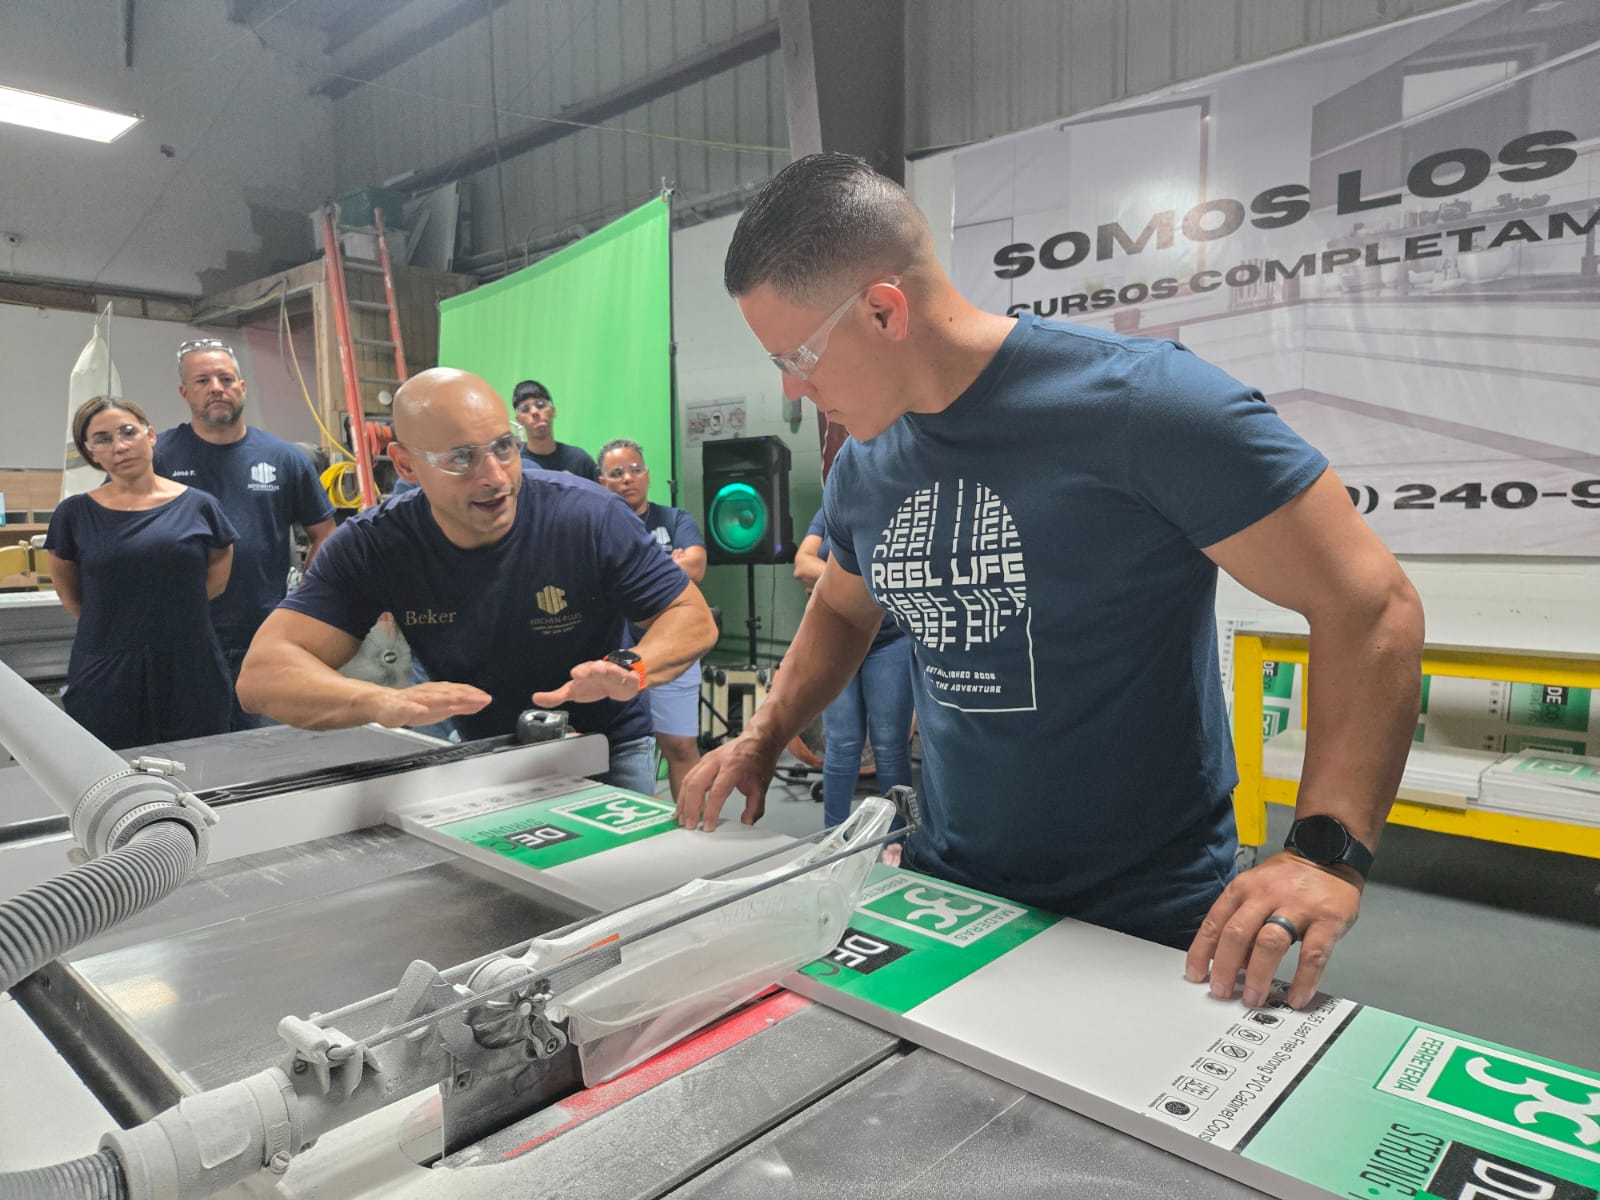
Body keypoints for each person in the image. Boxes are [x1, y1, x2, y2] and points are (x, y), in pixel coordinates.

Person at [679, 153, 1424, 1012]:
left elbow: (1369, 604)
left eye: (797, 355)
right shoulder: (868, 463)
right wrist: (764, 737)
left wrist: (1324, 852)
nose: (791, 388)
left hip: (1147, 909)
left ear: (884, 310)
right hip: (951, 884)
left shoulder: (1141, 406)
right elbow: (843, 612)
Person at [237, 369, 718, 794]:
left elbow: (691, 618)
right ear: (405, 464)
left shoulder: (587, 515)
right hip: (487, 750)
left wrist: (631, 669)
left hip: (605, 745)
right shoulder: (375, 544)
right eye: (461, 458)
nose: (495, 477)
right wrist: (380, 702)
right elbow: (264, 675)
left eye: (503, 448)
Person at [156, 338, 336, 728]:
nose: (216, 387)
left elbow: (324, 532)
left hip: (263, 636)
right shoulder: (159, 457)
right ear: (185, 393)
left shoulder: (283, 458)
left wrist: (309, 597)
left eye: (225, 378)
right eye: (202, 381)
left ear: (242, 387)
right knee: (193, 749)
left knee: (264, 750)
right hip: (181, 638)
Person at [46, 397, 239, 750]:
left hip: (191, 667)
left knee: (200, 771)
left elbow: (215, 581)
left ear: (150, 435)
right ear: (92, 453)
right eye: (103, 439)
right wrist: (120, 624)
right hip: (105, 670)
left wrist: (164, 615)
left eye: (128, 432)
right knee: (112, 777)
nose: (119, 446)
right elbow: (71, 595)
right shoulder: (73, 514)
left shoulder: (200, 506)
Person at [597, 438, 708, 800]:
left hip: (673, 652)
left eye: (634, 470)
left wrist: (631, 574)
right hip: (619, 657)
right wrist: (664, 565)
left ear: (647, 475)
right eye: (616, 473)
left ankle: (693, 834)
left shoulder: (675, 519)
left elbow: (695, 565)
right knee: (628, 753)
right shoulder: (598, 525)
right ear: (602, 483)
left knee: (679, 747)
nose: (627, 478)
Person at [794, 506, 914, 830]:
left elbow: (902, 574)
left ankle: (899, 841)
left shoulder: (894, 504)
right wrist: (858, 584)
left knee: (890, 744)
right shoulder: (830, 508)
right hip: (837, 638)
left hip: (890, 640)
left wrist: (830, 581)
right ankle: (833, 838)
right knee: (842, 743)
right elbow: (801, 563)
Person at [513, 380, 599, 480]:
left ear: (553, 411)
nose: (534, 412)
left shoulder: (579, 461)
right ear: (518, 420)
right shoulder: (516, 464)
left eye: (540, 405)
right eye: (525, 409)